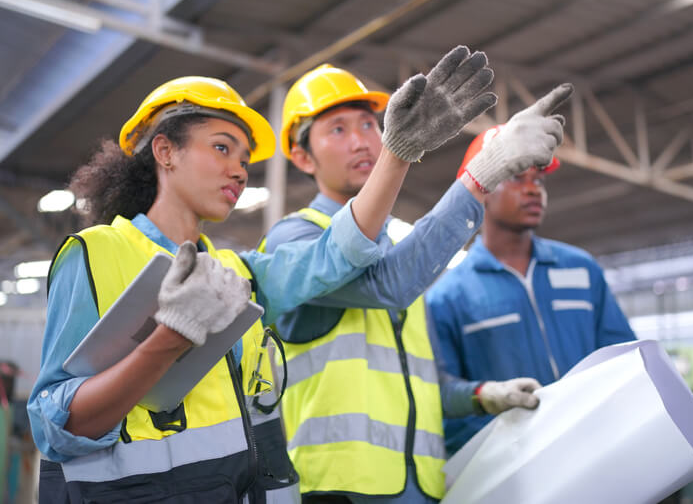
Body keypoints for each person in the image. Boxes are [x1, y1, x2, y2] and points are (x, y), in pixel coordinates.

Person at [27, 48, 494, 504]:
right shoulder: (96, 254)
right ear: (165, 151)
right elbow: (54, 424)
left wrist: (398, 153)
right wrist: (167, 340)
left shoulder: (237, 274)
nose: (238, 170)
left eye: (245, 158)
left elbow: (335, 254)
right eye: (221, 148)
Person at [261, 46, 573, 502]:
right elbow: (388, 283)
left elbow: (420, 384)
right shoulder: (295, 240)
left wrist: (483, 394)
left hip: (423, 487)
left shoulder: (403, 246)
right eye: (338, 129)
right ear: (302, 157)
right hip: (339, 489)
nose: (362, 140)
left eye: (370, 123)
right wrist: (479, 175)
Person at [426, 121, 637, 455]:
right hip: (514, 467)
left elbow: (623, 359)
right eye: (516, 178)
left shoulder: (581, 270)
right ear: (480, 189)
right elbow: (448, 406)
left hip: (598, 448)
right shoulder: (448, 298)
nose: (533, 189)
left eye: (538, 180)